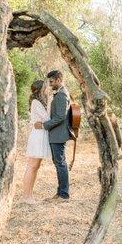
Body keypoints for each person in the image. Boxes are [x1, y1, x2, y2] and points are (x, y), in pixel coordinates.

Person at [34, 70, 73, 201]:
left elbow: (60, 117)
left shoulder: (62, 95)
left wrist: (44, 125)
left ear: (58, 80)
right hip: (56, 134)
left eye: (51, 82)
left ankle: (63, 194)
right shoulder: (60, 93)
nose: (50, 84)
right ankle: (60, 192)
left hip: (58, 134)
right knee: (59, 163)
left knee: (60, 163)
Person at [23, 80, 52, 205]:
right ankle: (26, 196)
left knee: (35, 167)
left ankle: (30, 195)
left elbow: (45, 121)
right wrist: (50, 100)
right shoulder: (35, 102)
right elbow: (47, 118)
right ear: (40, 89)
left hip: (41, 135)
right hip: (37, 136)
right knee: (32, 167)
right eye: (45, 87)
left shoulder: (39, 102)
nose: (47, 90)